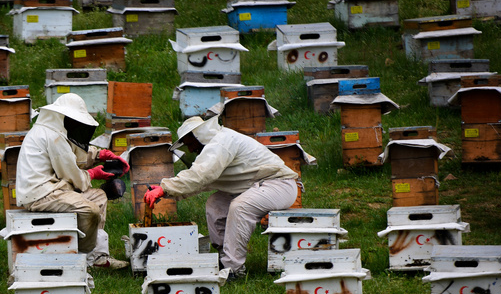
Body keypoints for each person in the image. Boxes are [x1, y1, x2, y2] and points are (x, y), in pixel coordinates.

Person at [144, 116, 298, 280]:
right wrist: (164, 190)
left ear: (199, 136)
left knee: (240, 207)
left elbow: (200, 176)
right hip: (253, 186)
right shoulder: (216, 145)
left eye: (189, 143)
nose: (189, 148)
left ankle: (234, 269)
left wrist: (165, 187)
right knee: (215, 203)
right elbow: (202, 182)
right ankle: (224, 258)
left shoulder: (222, 143)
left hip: (278, 185)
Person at [15, 93, 130, 269]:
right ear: (64, 117)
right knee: (89, 209)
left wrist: (100, 154)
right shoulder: (52, 136)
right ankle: (80, 259)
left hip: (54, 188)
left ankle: (97, 257)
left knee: (99, 197)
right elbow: (71, 173)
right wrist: (93, 174)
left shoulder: (55, 132)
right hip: (41, 194)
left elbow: (72, 151)